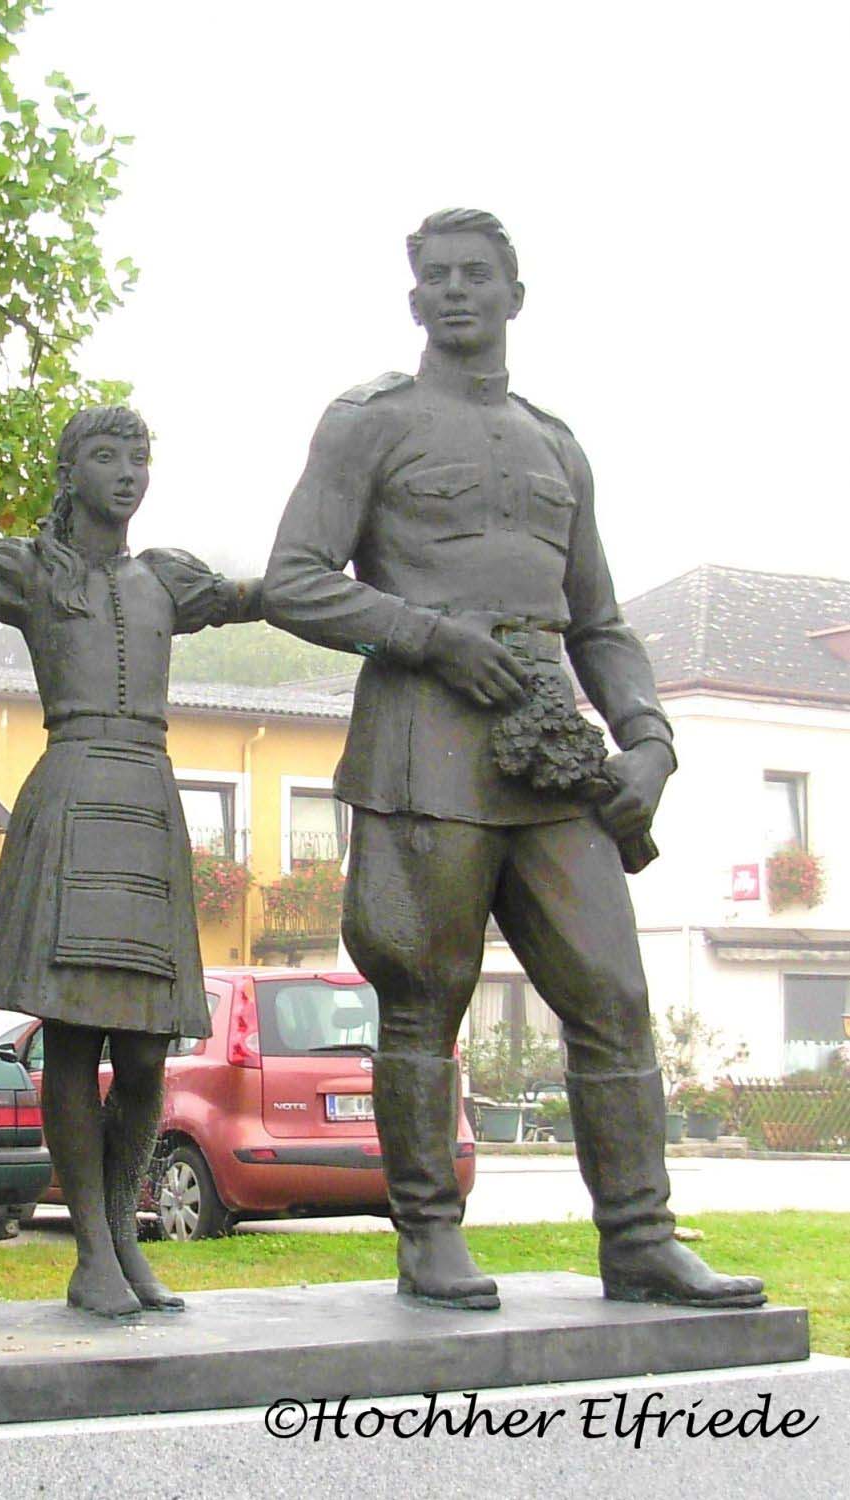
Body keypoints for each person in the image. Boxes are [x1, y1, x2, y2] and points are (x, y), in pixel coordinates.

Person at [263, 209, 763, 1313]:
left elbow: (601, 622)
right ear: (414, 302)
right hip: (421, 749)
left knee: (615, 997)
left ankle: (638, 1236)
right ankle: (429, 1237)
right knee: (423, 1001)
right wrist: (434, 636)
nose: (454, 291)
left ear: (513, 295)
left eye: (475, 275)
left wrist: (652, 739)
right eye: (434, 276)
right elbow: (294, 578)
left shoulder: (557, 443)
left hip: (550, 762)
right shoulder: (367, 424)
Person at [0, 407, 261, 1317]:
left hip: (148, 799)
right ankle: (90, 1249)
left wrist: (347, 564)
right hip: (75, 790)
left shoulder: (165, 578)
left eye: (139, 456)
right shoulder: (33, 572)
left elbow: (265, 594)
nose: (128, 472)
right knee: (77, 1039)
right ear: (69, 470)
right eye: (106, 455)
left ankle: (125, 1232)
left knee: (149, 1053)